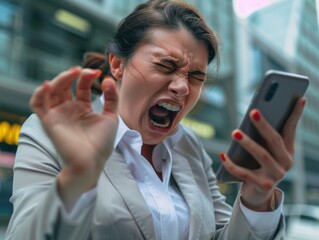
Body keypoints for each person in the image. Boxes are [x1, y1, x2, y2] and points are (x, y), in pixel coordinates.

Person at [5, 0, 306, 239]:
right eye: (166, 65)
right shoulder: (47, 133)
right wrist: (76, 181)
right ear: (118, 64)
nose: (182, 86)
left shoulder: (188, 146)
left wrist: (257, 194)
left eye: (196, 76)